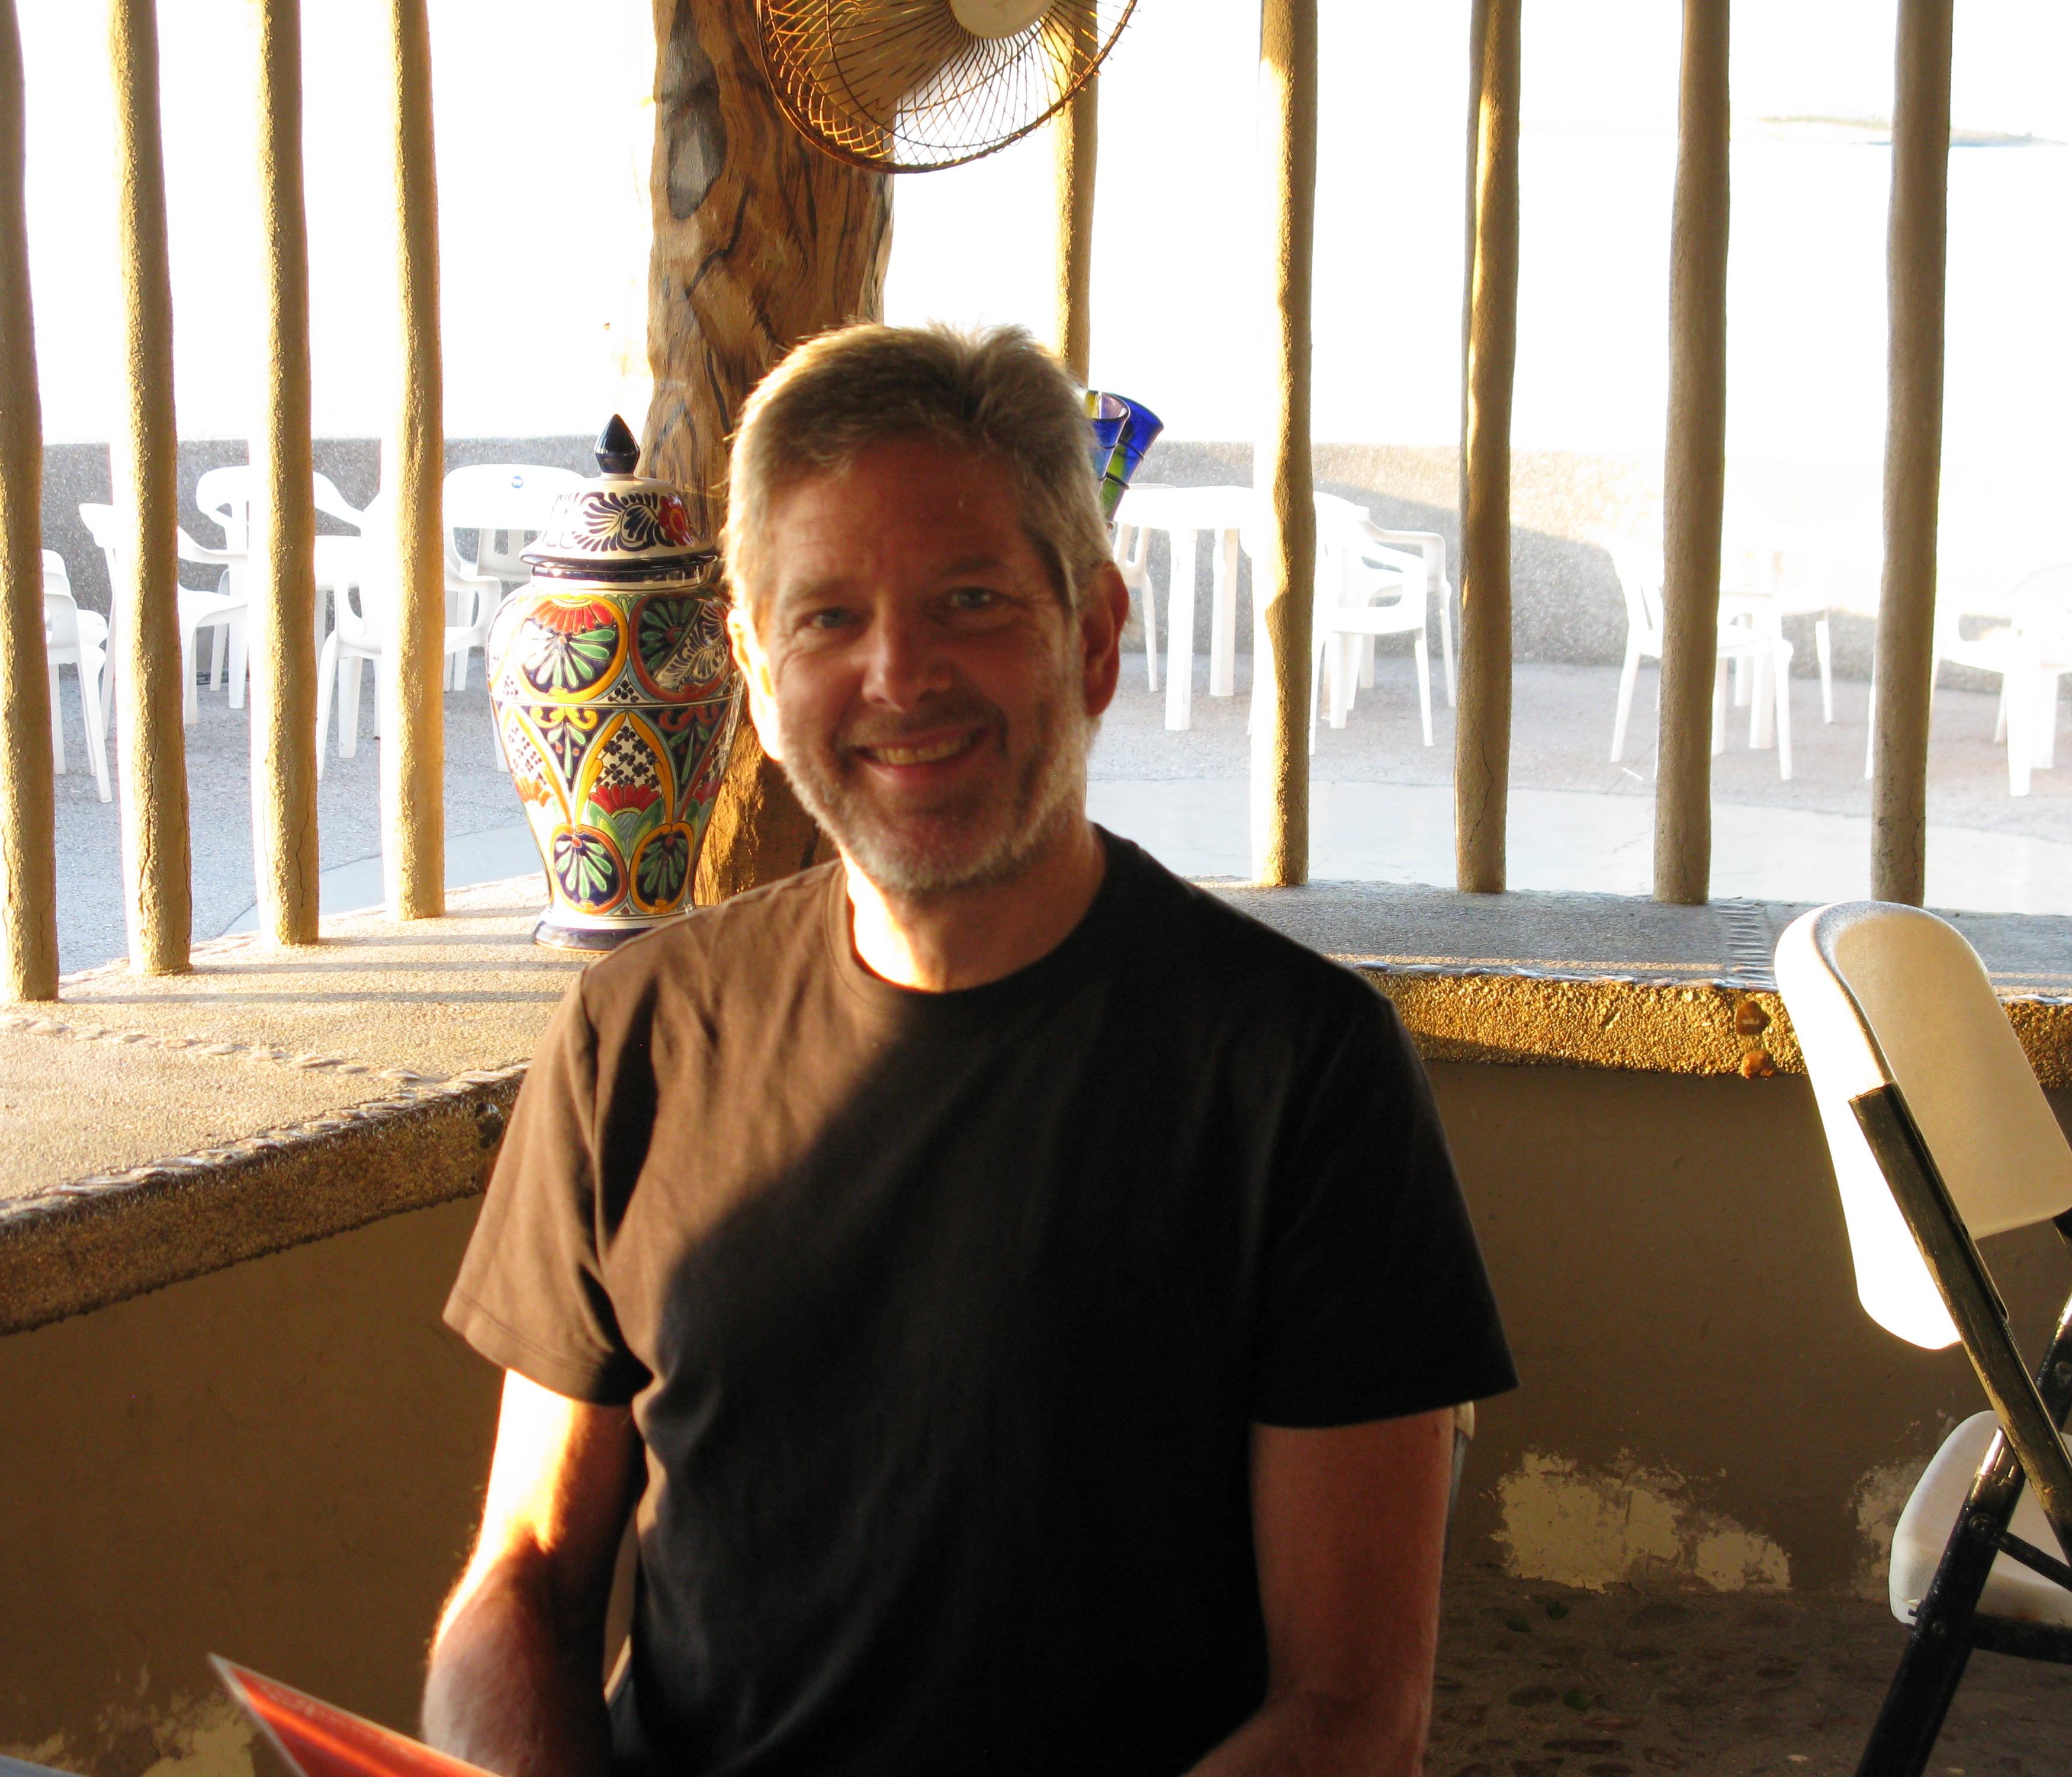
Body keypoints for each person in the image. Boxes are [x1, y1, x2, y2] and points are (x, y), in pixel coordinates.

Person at [423, 323, 1514, 1777]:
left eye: (971, 602)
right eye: (827, 618)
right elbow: (523, 1576)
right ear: (754, 668)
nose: (900, 675)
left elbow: (1351, 1711)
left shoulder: (1298, 1076)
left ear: (1095, 635)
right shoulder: (638, 1036)